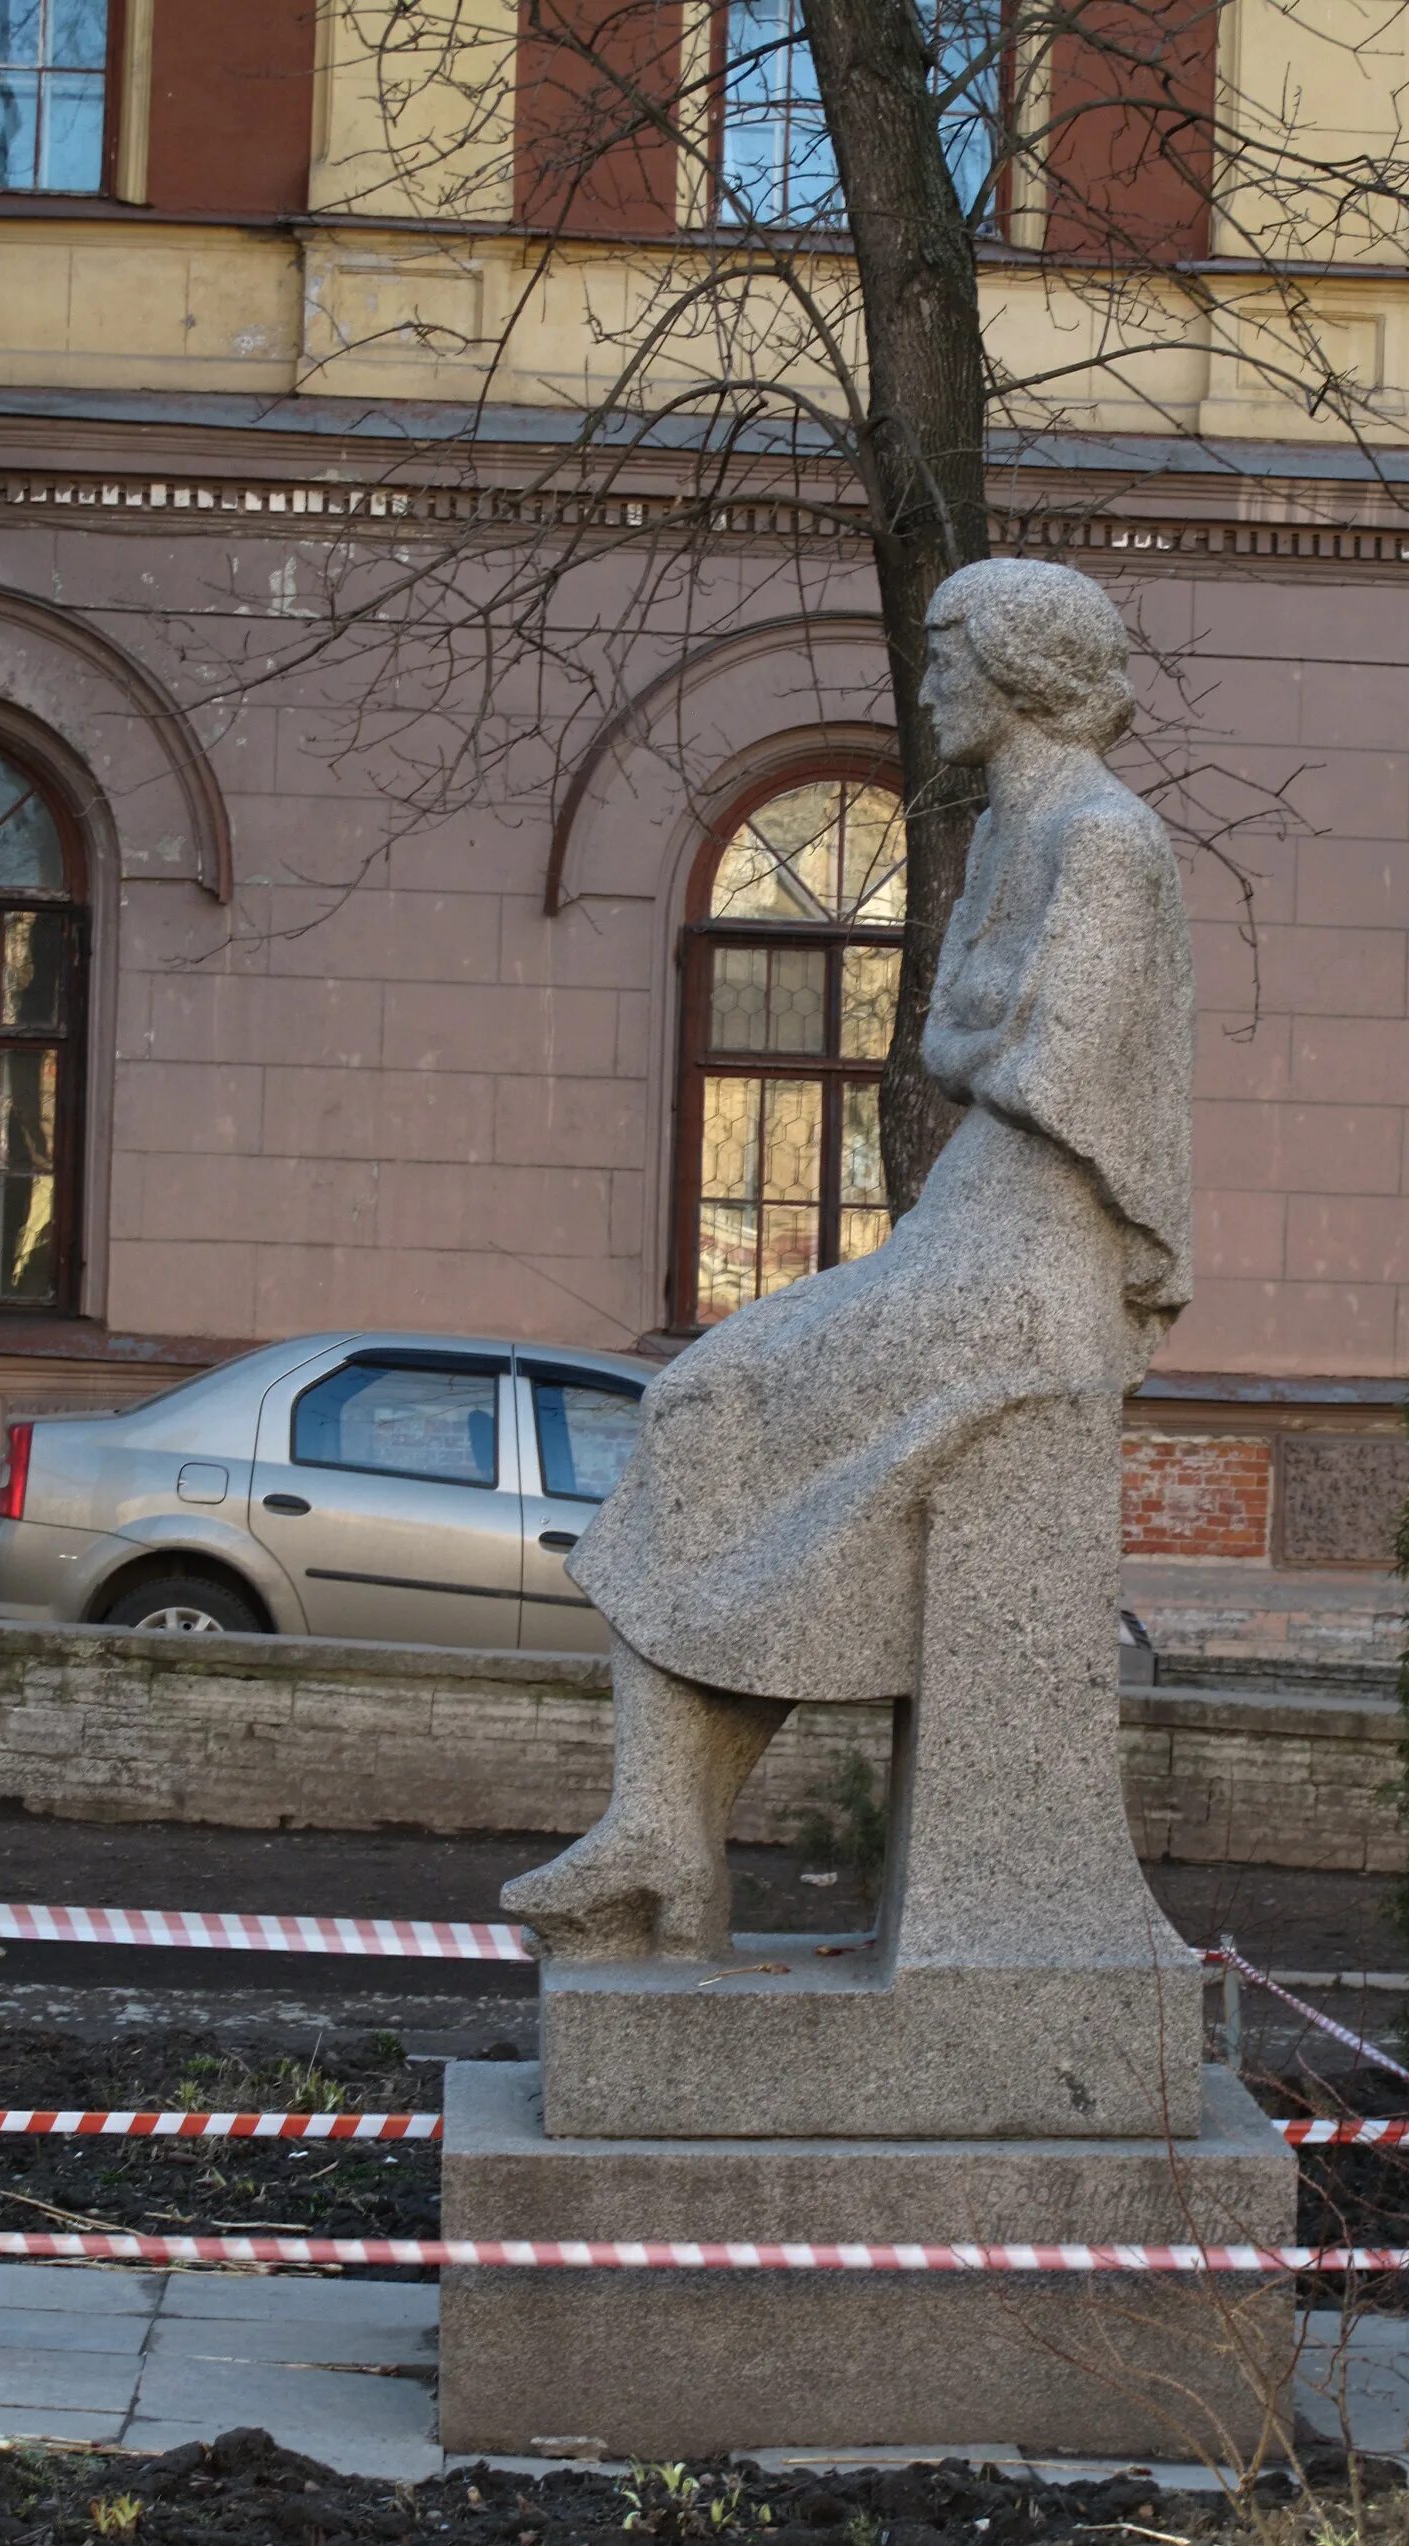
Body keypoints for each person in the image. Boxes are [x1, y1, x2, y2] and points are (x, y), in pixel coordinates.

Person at [502, 559, 1194, 1960]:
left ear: (1018, 672)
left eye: (948, 657)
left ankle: (663, 1840)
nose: (930, 683)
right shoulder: (1009, 841)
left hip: (1029, 1264)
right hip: (965, 1226)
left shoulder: (1105, 842)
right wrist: (985, 1027)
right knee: (700, 1402)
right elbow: (956, 1044)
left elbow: (1045, 1066)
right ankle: (659, 1840)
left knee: (717, 1402)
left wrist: (983, 1029)